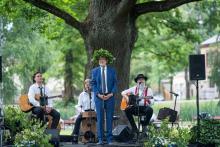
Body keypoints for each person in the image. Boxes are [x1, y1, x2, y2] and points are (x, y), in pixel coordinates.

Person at [91, 49, 117, 145]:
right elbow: (93, 84)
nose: (101, 60)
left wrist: (111, 94)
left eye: (103, 59)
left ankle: (110, 139)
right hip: (99, 97)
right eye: (100, 59)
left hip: (110, 97)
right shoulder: (94, 71)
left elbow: (115, 83)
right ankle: (101, 139)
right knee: (100, 118)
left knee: (109, 118)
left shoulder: (112, 70)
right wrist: (98, 94)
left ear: (106, 61)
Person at [72, 79, 96, 144]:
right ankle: (75, 137)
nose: (88, 86)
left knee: (99, 119)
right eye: (86, 84)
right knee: (78, 119)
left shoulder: (94, 94)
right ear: (85, 85)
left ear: (92, 85)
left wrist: (95, 111)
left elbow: (97, 104)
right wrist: (82, 111)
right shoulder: (82, 94)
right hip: (84, 112)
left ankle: (99, 137)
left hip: (93, 112)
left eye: (89, 84)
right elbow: (79, 105)